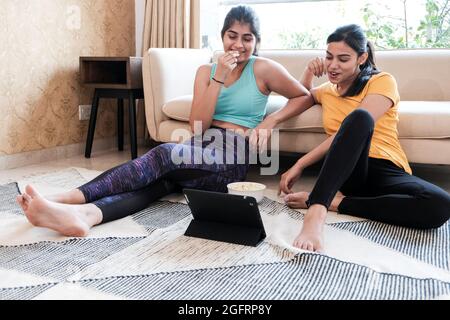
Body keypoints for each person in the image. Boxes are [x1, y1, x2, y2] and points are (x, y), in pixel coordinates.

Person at [16, 5, 313, 237]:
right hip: (201, 146)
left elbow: (304, 97)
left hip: (232, 157)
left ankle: (68, 198)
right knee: (159, 180)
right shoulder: (205, 72)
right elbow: (199, 122)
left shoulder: (263, 68)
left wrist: (269, 121)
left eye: (247, 38)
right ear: (223, 36)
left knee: (163, 153)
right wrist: (218, 79)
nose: (238, 45)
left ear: (256, 42)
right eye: (232, 36)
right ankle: (87, 215)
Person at [279, 24, 450, 253]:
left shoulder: (382, 81)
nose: (333, 65)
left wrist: (301, 163)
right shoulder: (326, 91)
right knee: (357, 118)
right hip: (350, 171)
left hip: (387, 168)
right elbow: (300, 96)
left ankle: (333, 202)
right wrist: (309, 72)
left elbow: (357, 126)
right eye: (328, 57)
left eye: (343, 59)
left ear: (362, 58)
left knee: (440, 205)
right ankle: (316, 212)